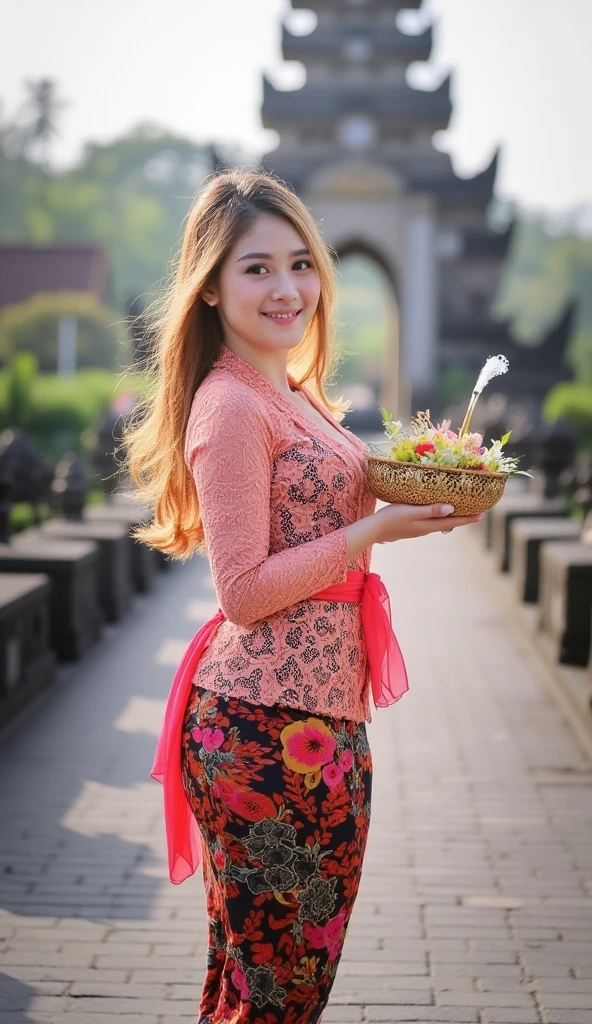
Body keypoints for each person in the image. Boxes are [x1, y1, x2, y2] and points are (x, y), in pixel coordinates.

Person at [123, 168, 482, 1024]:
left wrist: (430, 495)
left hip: (321, 728)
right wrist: (371, 536)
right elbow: (243, 591)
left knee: (270, 991)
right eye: (255, 269)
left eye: (300, 264)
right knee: (275, 998)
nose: (287, 289)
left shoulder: (291, 392)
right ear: (209, 287)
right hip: (260, 733)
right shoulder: (232, 408)